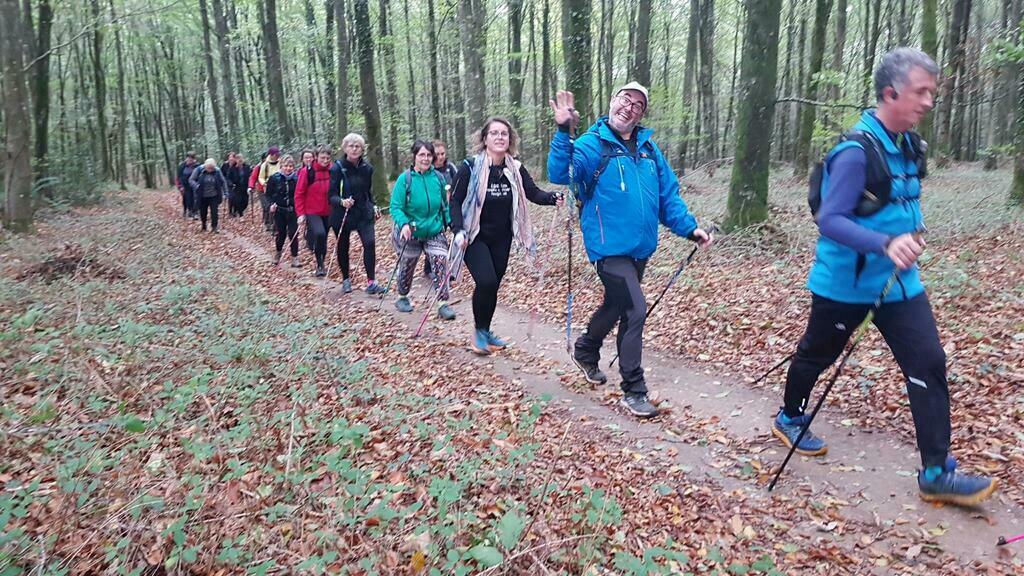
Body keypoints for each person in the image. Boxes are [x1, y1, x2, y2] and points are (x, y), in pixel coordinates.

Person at [771, 48, 995, 506]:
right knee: (817, 355)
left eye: (932, 91)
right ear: (890, 93)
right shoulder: (855, 152)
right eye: (921, 91)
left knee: (928, 363)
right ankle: (790, 415)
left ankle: (935, 472)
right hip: (845, 284)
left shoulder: (910, 144)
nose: (929, 101)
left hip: (899, 284)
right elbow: (830, 219)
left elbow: (900, 205)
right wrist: (885, 243)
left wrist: (908, 238)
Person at [548, 82, 714, 419]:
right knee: (635, 310)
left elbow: (668, 197)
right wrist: (563, 130)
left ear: (642, 114)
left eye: (638, 105)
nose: (630, 107)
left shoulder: (650, 151)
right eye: (626, 100)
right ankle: (634, 389)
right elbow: (560, 172)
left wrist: (689, 228)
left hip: (640, 250)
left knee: (615, 305)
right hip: (608, 249)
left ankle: (585, 350)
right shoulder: (592, 145)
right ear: (612, 101)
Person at [451, 117, 563, 354]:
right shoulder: (470, 167)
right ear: (485, 139)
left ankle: (486, 331)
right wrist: (458, 230)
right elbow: (456, 201)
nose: (500, 137)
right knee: (486, 281)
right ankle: (479, 334)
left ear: (510, 139)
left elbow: (533, 193)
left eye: (504, 133)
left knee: (493, 286)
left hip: (502, 237)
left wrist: (553, 198)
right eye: (494, 133)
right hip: (473, 236)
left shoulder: (515, 168)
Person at [388, 140, 455, 320]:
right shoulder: (405, 179)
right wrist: (403, 224)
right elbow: (395, 207)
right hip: (411, 231)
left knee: (440, 260)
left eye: (428, 155)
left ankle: (442, 303)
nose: (425, 159)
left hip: (434, 229)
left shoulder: (438, 179)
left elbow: (444, 205)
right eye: (422, 155)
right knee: (408, 264)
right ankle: (402, 296)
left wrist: (451, 223)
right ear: (415, 156)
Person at [331, 133, 386, 295]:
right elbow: (331, 195)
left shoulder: (367, 168)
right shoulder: (337, 168)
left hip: (363, 212)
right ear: (345, 148)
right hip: (343, 213)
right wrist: (342, 201)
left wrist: (374, 206)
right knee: (343, 246)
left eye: (358, 146)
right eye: (351, 146)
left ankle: (371, 282)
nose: (354, 149)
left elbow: (368, 191)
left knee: (369, 243)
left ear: (362, 149)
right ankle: (346, 279)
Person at [295, 146, 334, 277]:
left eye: (328, 158)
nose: (325, 160)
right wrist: (300, 214)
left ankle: (322, 258)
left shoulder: (333, 170)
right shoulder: (308, 172)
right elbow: (299, 193)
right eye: (323, 157)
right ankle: (319, 264)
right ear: (316, 157)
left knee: (324, 237)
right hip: (312, 211)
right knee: (319, 233)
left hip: (329, 211)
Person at [423, 139, 460, 279]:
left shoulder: (451, 168)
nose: (440, 157)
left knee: (448, 239)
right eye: (437, 154)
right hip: (434, 210)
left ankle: (445, 267)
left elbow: (458, 183)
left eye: (443, 153)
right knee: (435, 237)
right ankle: (431, 268)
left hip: (450, 208)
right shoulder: (428, 169)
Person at [266, 154, 301, 267]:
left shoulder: (297, 179)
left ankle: (295, 257)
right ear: (281, 166)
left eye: (290, 166)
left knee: (293, 233)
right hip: (279, 210)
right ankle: (278, 252)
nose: (288, 168)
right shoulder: (274, 178)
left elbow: (300, 195)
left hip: (292, 210)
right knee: (281, 233)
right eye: (286, 166)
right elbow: (268, 195)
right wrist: (271, 204)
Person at [188, 158, 230, 233]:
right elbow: (191, 180)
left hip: (214, 195)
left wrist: (226, 192)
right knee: (203, 212)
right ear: (205, 166)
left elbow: (223, 181)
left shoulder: (217, 171)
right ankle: (204, 225)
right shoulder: (199, 170)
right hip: (202, 195)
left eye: (212, 168)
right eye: (209, 168)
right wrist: (196, 186)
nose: (210, 170)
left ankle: (214, 227)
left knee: (214, 211)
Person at [258, 146, 282, 232]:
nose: (277, 156)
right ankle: (271, 224)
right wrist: (264, 183)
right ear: (271, 155)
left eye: (278, 154)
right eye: (276, 155)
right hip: (268, 189)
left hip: (279, 188)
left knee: (278, 206)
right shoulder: (265, 165)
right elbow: (260, 177)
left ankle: (277, 225)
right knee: (270, 206)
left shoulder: (280, 163)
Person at [177, 151, 199, 219]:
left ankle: (194, 212)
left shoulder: (197, 166)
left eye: (191, 158)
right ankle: (186, 210)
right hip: (185, 185)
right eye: (189, 158)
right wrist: (180, 186)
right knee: (186, 198)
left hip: (194, 185)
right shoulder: (182, 166)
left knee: (195, 199)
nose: (190, 160)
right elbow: (179, 177)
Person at [232, 153, 252, 217]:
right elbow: (228, 177)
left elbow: (251, 176)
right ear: (236, 160)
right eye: (238, 159)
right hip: (237, 187)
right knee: (238, 200)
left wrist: (251, 185)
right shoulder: (233, 168)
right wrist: (231, 184)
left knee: (245, 202)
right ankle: (240, 214)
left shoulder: (247, 167)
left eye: (241, 159)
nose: (240, 161)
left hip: (245, 187)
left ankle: (239, 210)